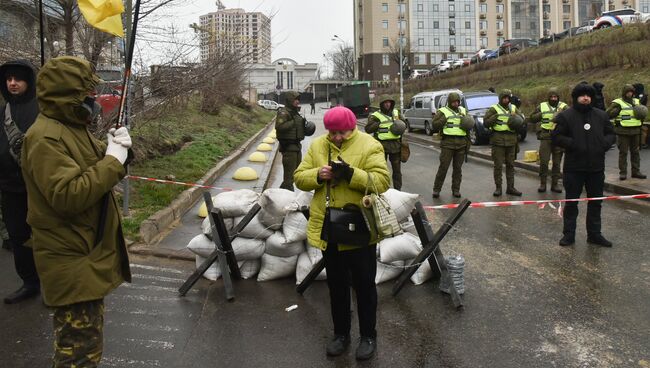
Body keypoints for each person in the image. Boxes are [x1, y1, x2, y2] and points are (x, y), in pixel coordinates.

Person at [21, 56, 132, 367]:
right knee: (77, 354)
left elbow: (99, 172)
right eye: (86, 92)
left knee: (86, 347)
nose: (92, 99)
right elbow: (68, 195)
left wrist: (120, 152)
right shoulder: (45, 137)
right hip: (70, 257)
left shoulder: (70, 127)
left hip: (83, 251)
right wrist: (113, 160)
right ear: (69, 94)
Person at [294, 106, 390, 360]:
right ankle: (341, 335)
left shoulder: (370, 145)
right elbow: (299, 178)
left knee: (365, 286)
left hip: (359, 229)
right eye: (333, 133)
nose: (337, 137)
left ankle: (368, 336)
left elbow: (381, 182)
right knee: (336, 287)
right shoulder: (316, 147)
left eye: (343, 133)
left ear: (352, 128)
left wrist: (350, 174)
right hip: (330, 229)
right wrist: (318, 174)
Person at [552, 83, 616, 247]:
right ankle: (569, 235)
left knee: (596, 203)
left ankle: (594, 234)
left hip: (596, 168)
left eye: (588, 95)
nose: (586, 98)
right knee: (572, 202)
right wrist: (573, 144)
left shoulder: (601, 115)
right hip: (574, 168)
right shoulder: (566, 116)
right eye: (582, 95)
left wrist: (603, 144)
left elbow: (611, 134)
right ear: (576, 98)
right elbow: (556, 136)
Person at [0, 60, 41, 304]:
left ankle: (53, 284)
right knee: (17, 235)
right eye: (8, 79)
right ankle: (29, 282)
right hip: (9, 187)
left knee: (46, 236)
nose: (12, 83)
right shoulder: (3, 111)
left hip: (38, 186)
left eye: (18, 79)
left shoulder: (41, 109)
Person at [483, 89, 524, 196]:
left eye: (507, 98)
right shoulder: (494, 109)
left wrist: (517, 120)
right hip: (498, 140)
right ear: (500, 99)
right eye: (504, 98)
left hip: (511, 140)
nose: (506, 100)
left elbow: (522, 120)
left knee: (510, 165)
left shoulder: (513, 108)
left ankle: (511, 188)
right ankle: (498, 188)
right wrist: (494, 118)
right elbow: (486, 123)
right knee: (498, 166)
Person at [431, 92, 470, 198]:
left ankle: (456, 190)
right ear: (449, 102)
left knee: (458, 169)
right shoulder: (443, 111)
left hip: (461, 144)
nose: (456, 103)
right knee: (443, 168)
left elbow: (469, 125)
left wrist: (468, 143)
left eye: (457, 101)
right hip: (447, 144)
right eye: (454, 101)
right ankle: (436, 189)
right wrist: (444, 119)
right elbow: (434, 125)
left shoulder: (463, 111)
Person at [530, 88, 569, 193]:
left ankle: (555, 184)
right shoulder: (542, 106)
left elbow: (571, 118)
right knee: (544, 161)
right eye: (551, 97)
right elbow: (532, 118)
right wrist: (541, 115)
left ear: (558, 97)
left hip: (558, 137)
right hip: (545, 136)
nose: (553, 98)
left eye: (555, 97)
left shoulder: (564, 107)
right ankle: (543, 184)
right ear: (548, 98)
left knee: (557, 163)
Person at [606, 84, 647, 180]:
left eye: (631, 92)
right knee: (623, 153)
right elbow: (607, 114)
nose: (630, 93)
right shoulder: (617, 102)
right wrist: (615, 112)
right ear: (624, 93)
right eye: (628, 92)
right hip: (622, 131)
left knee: (635, 153)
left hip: (635, 131)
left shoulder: (636, 101)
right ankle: (623, 173)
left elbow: (642, 113)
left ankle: (636, 171)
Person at [365, 96, 405, 190]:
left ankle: (397, 191)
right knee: (381, 171)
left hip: (395, 146)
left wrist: (400, 125)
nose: (388, 104)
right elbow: (368, 129)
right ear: (382, 104)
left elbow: (404, 124)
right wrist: (378, 124)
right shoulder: (375, 115)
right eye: (385, 102)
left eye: (389, 102)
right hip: (381, 147)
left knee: (397, 171)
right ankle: (383, 190)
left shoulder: (396, 113)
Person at [276, 91, 307, 191]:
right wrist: (293, 122)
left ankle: (283, 194)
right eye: (295, 99)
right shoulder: (284, 112)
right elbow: (279, 126)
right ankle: (285, 197)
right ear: (290, 100)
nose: (297, 101)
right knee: (289, 178)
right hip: (288, 148)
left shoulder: (295, 113)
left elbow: (298, 129)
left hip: (297, 147)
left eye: (298, 99)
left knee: (295, 174)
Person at [633, 83, 648, 149]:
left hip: (640, 113)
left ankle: (641, 143)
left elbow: (639, 102)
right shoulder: (637, 94)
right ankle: (640, 143)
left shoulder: (642, 95)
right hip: (638, 112)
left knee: (640, 128)